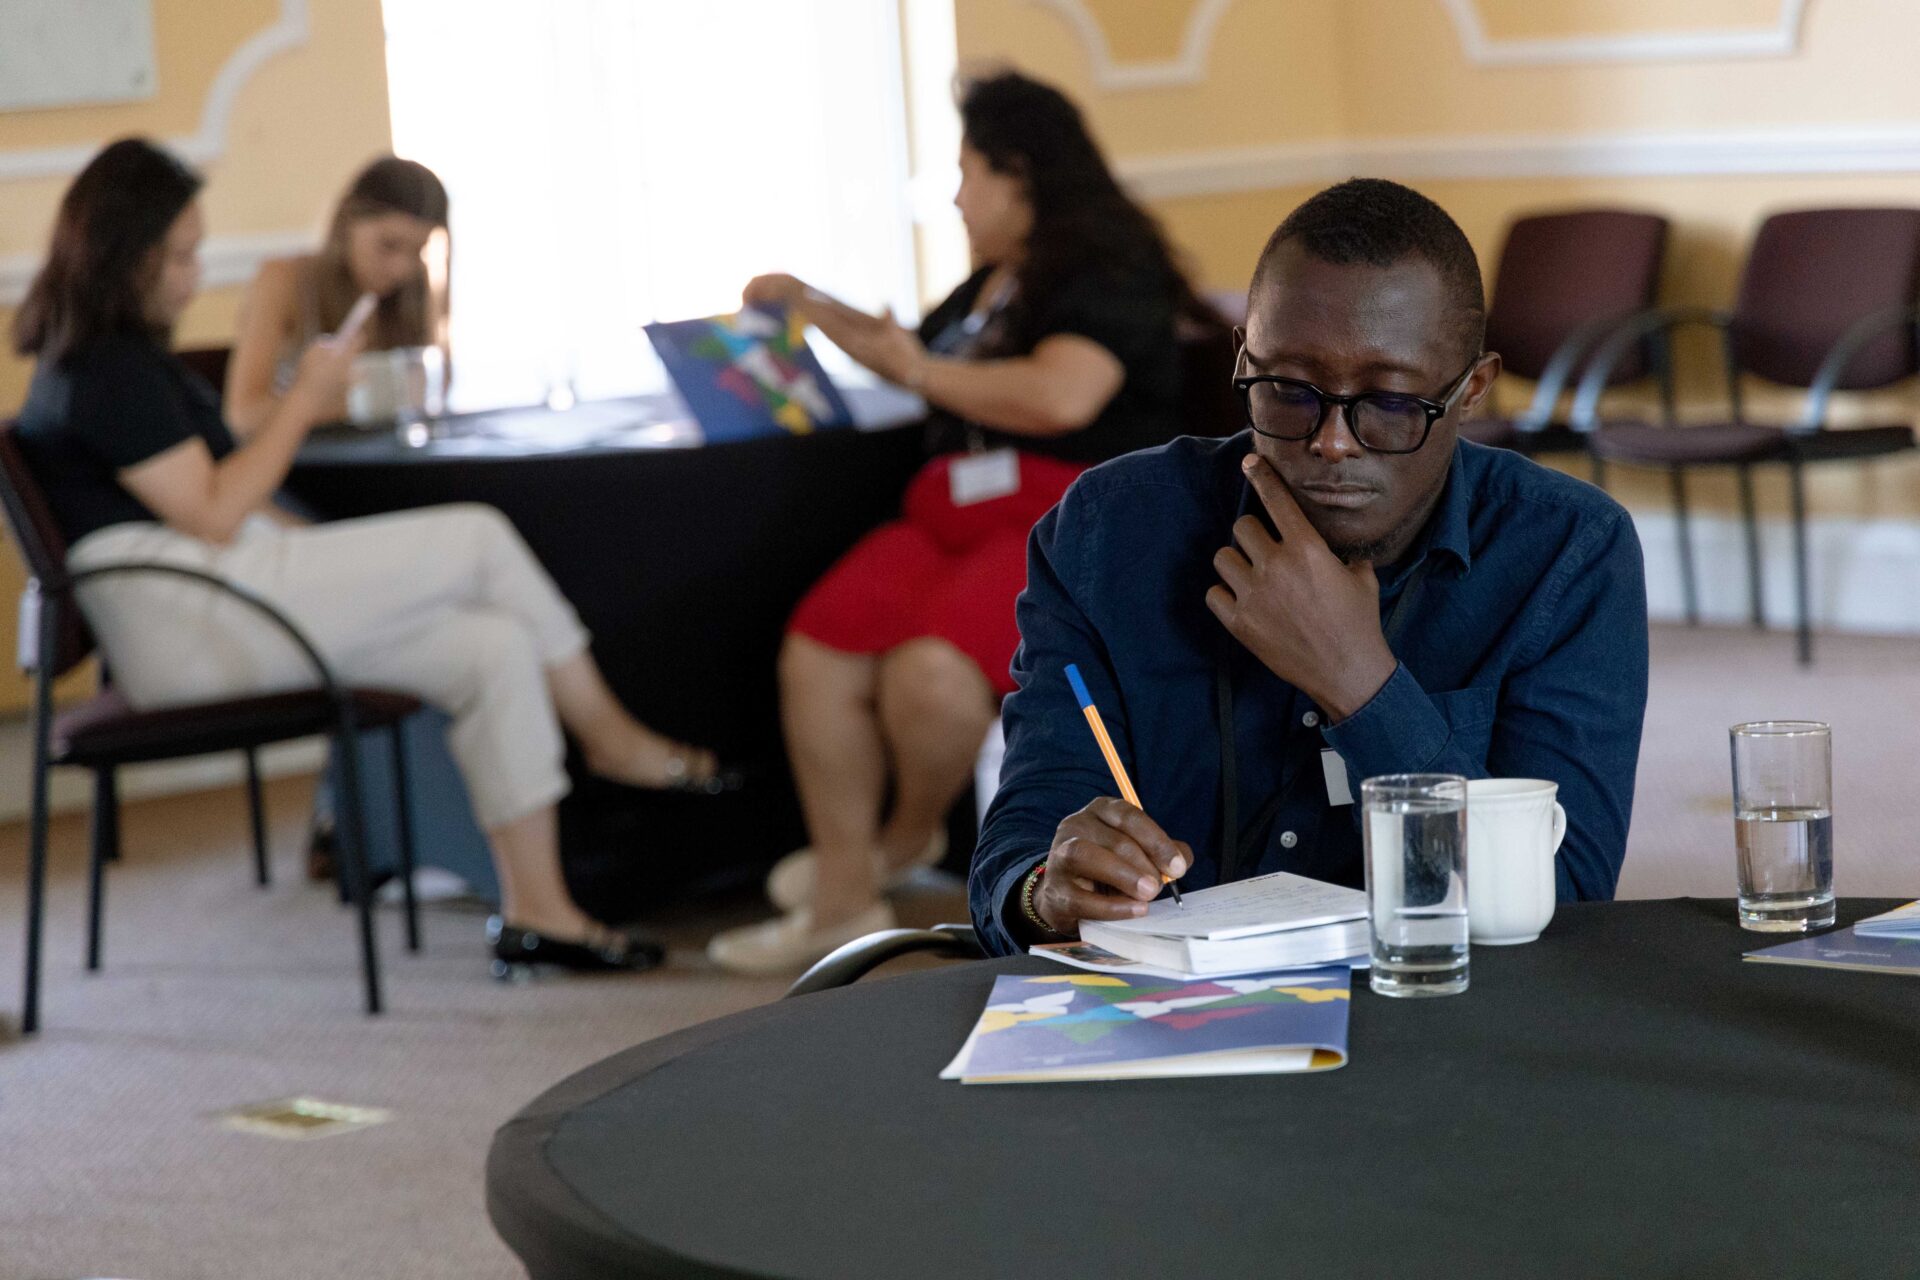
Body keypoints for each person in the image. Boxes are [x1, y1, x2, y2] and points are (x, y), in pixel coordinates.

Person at [12, 138, 726, 977]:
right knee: (477, 535)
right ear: (122, 256)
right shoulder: (103, 371)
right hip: (189, 624)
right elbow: (212, 513)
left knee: (489, 645)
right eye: (180, 254)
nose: (194, 275)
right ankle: (610, 738)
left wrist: (346, 558)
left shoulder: (110, 365)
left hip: (217, 601)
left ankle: (542, 911)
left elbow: (222, 502)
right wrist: (306, 401)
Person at [968, 178, 1650, 954]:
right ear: (1244, 359)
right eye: (1289, 390)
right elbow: (1017, 853)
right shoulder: (1108, 531)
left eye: (1390, 403)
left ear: (1471, 392)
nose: (1331, 441)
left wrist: (1360, 683)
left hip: (1437, 1026)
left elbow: (1569, 908)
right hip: (1175, 1027)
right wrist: (1044, 889)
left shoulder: (1566, 553)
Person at [706, 71, 1212, 973]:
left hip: (1064, 516)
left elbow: (1062, 394)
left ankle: (896, 849)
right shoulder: (992, 282)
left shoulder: (1109, 268)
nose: (955, 194)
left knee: (929, 676)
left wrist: (920, 373)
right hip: (951, 514)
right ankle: (843, 888)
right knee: (818, 643)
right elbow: (913, 354)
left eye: (968, 170)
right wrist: (808, 304)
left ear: (1021, 173)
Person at [225, 156, 450, 433]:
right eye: (388, 245)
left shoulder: (412, 292)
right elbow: (243, 416)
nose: (402, 269)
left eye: (418, 251)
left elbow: (436, 393)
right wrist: (346, 401)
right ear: (347, 222)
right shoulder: (284, 280)